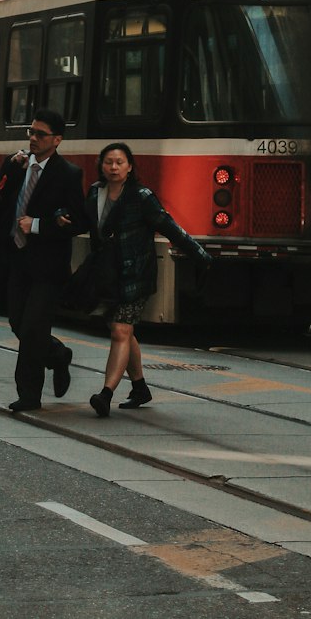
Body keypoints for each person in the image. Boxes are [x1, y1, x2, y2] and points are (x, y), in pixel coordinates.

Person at [83, 141, 212, 418]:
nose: (113, 167)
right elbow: (84, 222)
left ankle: (105, 394)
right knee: (125, 332)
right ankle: (140, 387)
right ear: (101, 166)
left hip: (135, 275)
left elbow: (169, 226)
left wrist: (200, 254)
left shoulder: (141, 196)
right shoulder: (95, 192)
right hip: (107, 275)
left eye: (119, 162)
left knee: (120, 330)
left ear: (130, 167)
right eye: (108, 162)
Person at [0, 110, 86, 413]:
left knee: (31, 329)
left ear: (57, 140)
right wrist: (7, 174)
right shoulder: (16, 165)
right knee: (18, 322)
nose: (33, 138)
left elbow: (79, 221)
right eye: (31, 131)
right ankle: (57, 355)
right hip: (15, 260)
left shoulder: (68, 174)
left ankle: (28, 394)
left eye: (41, 134)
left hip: (47, 267)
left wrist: (38, 224)